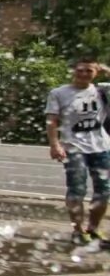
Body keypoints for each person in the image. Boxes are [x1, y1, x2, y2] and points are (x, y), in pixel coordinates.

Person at [45, 58, 110, 246]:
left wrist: (104, 68)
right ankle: (78, 231)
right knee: (77, 190)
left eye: (89, 71)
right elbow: (52, 120)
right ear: (73, 71)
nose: (83, 74)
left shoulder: (101, 90)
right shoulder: (59, 93)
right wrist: (54, 144)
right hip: (73, 148)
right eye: (80, 70)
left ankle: (94, 230)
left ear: (95, 72)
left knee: (104, 192)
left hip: (102, 147)